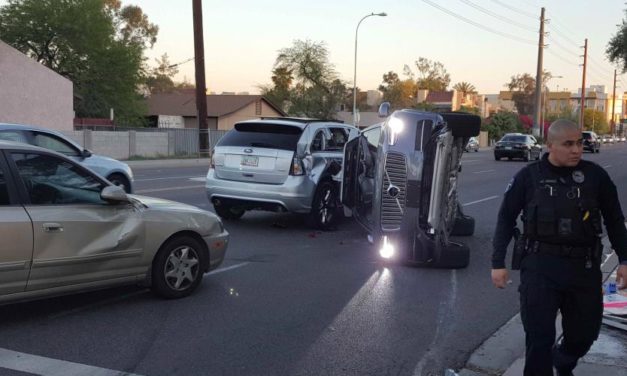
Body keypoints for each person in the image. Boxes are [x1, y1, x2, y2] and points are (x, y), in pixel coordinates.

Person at [491, 119, 627, 376]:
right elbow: (506, 218)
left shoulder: (595, 176)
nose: (577, 149)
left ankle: (564, 359)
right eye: (568, 144)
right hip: (540, 267)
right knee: (538, 339)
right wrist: (498, 263)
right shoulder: (528, 177)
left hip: (583, 268)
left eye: (579, 143)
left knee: (584, 335)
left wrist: (624, 259)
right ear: (550, 145)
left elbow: (615, 219)